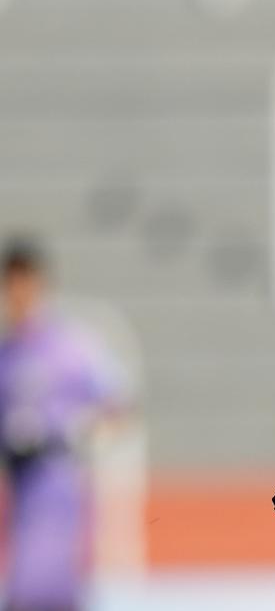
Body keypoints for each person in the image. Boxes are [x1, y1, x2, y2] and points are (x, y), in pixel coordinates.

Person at [0, 239, 125, 611]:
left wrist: (76, 433)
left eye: (25, 284)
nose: (18, 295)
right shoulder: (6, 356)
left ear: (40, 285)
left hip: (61, 490)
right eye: (11, 285)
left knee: (50, 592)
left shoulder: (73, 346)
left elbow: (116, 407)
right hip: (20, 495)